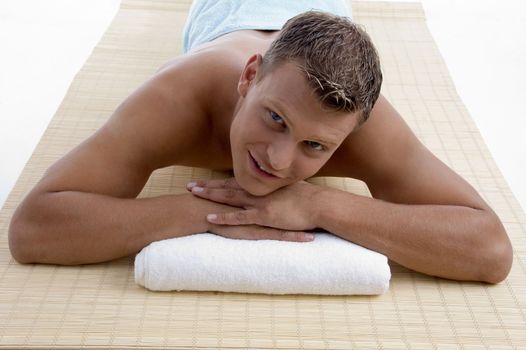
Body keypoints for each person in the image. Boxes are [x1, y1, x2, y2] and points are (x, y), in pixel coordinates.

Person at [8, 0, 512, 283]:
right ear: (250, 77)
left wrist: (319, 203)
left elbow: (490, 249)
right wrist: (222, 212)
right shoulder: (180, 95)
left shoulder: (361, 124)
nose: (278, 159)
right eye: (274, 117)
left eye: (315, 147)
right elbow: (33, 229)